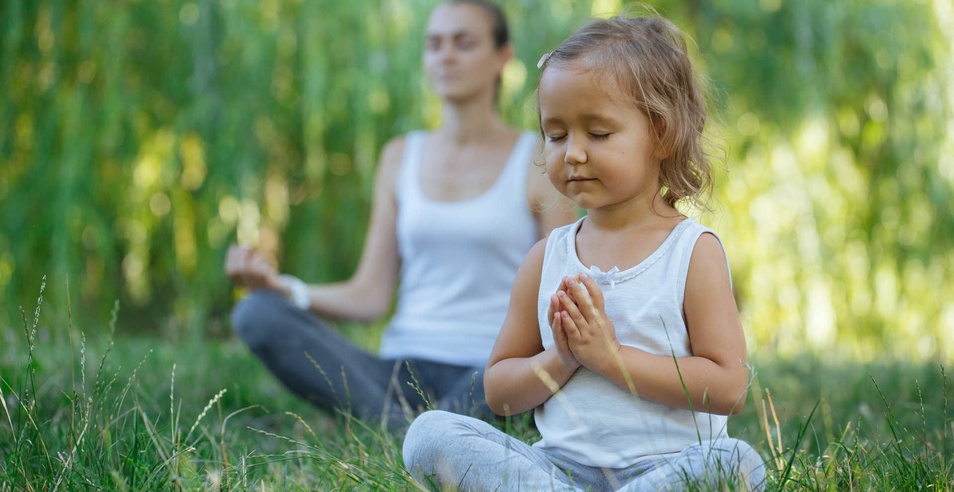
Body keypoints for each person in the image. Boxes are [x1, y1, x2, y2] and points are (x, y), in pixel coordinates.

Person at [402, 9, 767, 491]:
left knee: (736, 463)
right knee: (428, 435)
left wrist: (610, 358)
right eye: (556, 135)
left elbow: (729, 388)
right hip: (557, 470)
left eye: (598, 134)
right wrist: (564, 358)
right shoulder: (546, 259)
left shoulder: (691, 253)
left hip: (666, 470)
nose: (572, 152)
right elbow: (500, 392)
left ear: (661, 134)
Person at [224, 0, 575, 433]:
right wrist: (283, 289)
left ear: (503, 57)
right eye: (434, 44)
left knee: (501, 383)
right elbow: (370, 294)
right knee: (257, 313)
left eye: (463, 43)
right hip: (395, 372)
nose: (445, 55)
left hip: (486, 372)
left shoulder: (540, 158)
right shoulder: (399, 156)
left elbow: (557, 291)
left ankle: (400, 432)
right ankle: (416, 432)